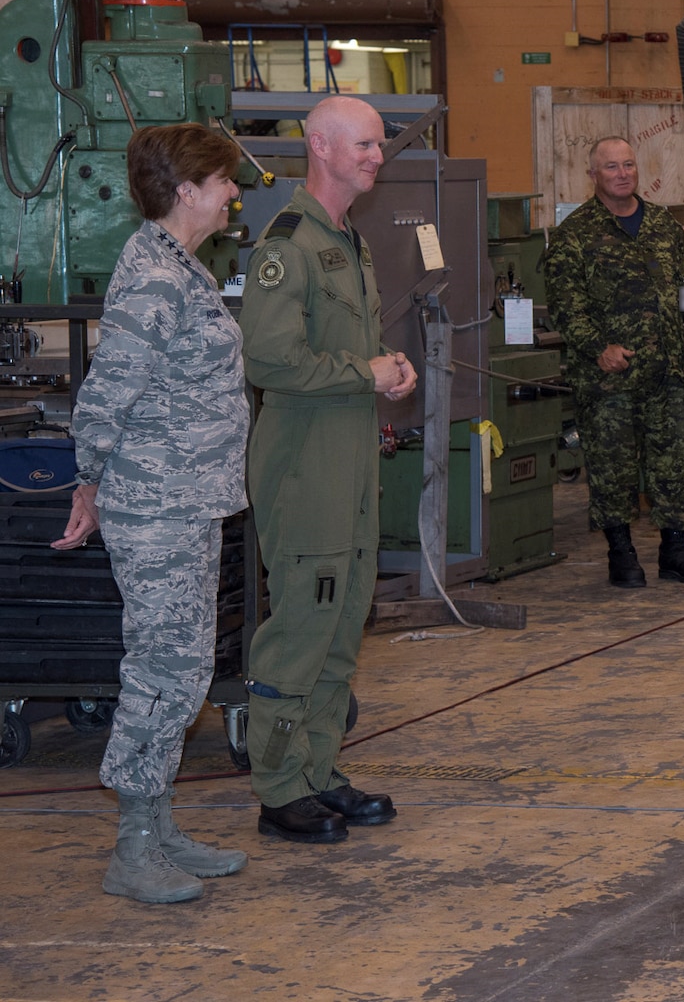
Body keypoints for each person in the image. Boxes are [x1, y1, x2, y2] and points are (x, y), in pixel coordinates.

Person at [54, 124, 250, 903]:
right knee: (162, 668)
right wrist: (89, 479)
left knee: (186, 666)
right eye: (225, 180)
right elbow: (107, 391)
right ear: (189, 190)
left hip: (190, 498)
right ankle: (133, 846)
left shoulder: (181, 267)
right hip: (157, 503)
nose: (235, 191)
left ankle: (159, 822)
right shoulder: (156, 277)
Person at [240, 96, 418, 844]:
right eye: (365, 145)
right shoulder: (288, 244)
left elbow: (347, 358)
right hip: (304, 470)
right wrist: (364, 369)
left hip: (348, 467)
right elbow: (271, 360)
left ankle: (319, 770)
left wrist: (388, 373)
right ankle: (280, 787)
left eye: (380, 146)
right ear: (319, 145)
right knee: (303, 627)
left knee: (343, 626)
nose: (378, 157)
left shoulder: (350, 240)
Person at [547, 136, 684, 588]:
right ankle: (620, 553)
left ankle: (675, 550)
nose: (622, 174)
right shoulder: (575, 235)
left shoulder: (663, 225)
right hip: (610, 379)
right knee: (613, 467)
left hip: (666, 374)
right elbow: (566, 306)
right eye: (611, 167)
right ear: (593, 176)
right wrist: (599, 346)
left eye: (628, 165)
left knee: (676, 464)